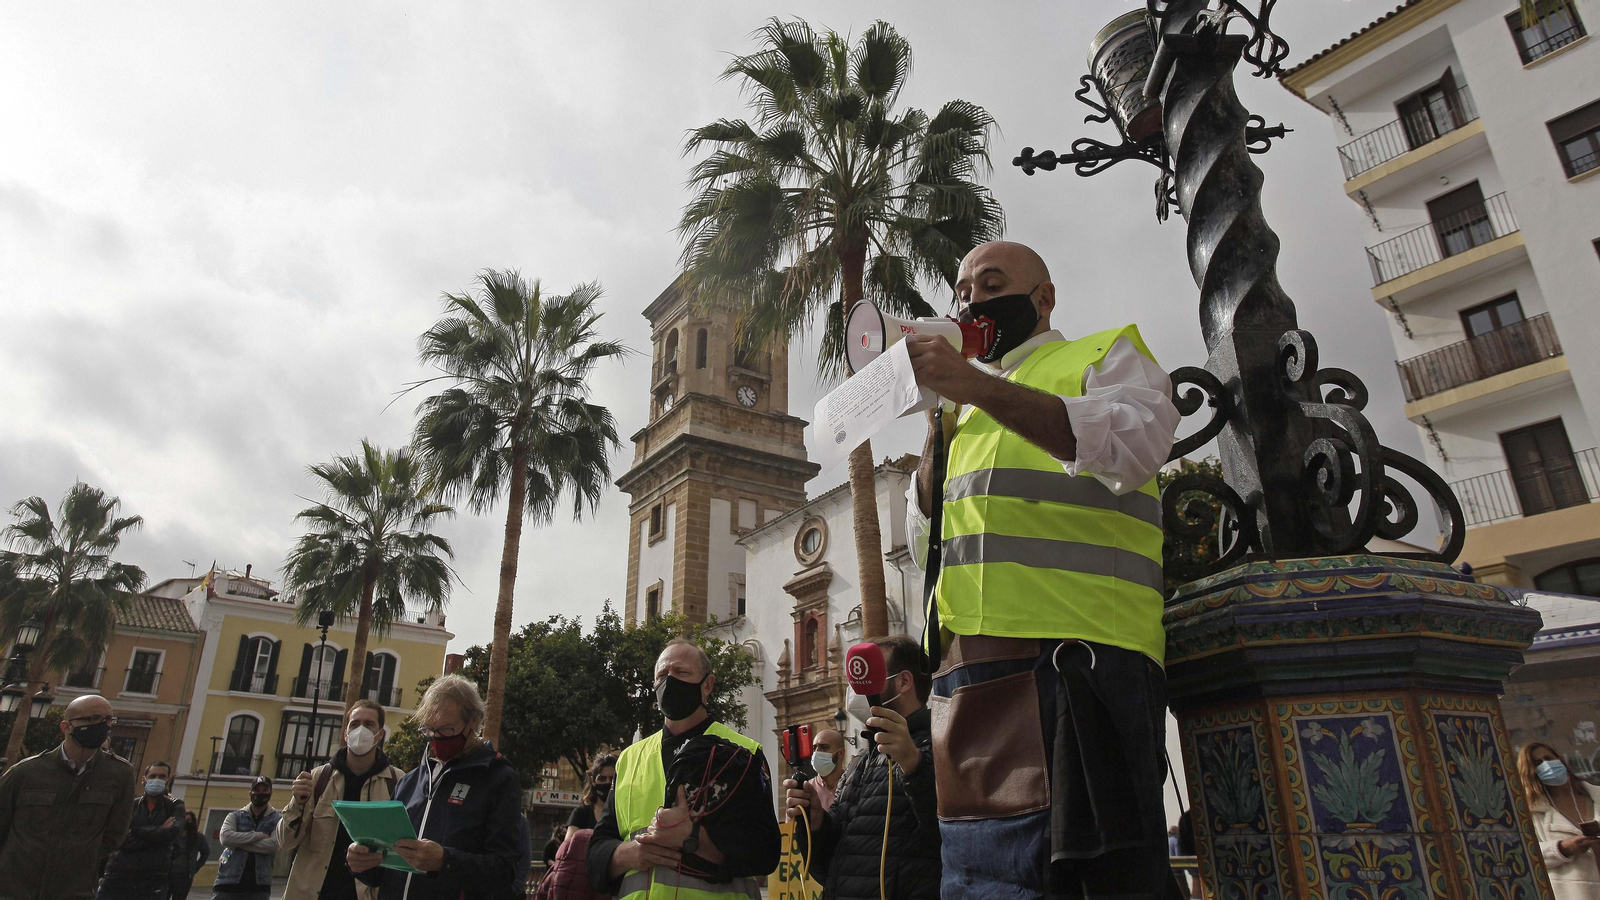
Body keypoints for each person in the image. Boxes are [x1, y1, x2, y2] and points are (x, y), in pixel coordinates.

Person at [904, 240, 1182, 899]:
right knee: (984, 882)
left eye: (991, 282)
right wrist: (935, 436)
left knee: (1095, 881)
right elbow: (928, 548)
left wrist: (975, 385)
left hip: (1078, 668)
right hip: (968, 684)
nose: (972, 299)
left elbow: (1132, 445)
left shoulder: (1102, 356)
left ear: (1043, 299)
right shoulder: (961, 413)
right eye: (963, 289)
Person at [586, 639, 780, 899]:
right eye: (662, 675)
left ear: (708, 685)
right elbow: (597, 851)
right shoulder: (629, 759)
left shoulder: (743, 754)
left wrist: (693, 839)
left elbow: (764, 854)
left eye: (682, 673)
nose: (670, 681)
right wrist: (630, 853)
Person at [784, 635, 940, 900]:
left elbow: (946, 833)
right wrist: (815, 823)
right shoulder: (861, 763)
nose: (856, 689)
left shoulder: (940, 747)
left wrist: (914, 765)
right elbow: (825, 868)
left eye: (871, 675)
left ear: (904, 681)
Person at [347, 675, 527, 900]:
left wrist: (444, 861)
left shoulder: (498, 778)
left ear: (472, 722)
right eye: (429, 731)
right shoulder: (409, 782)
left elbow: (504, 870)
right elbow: (388, 872)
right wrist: (362, 863)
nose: (436, 739)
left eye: (447, 730)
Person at [0, 693, 137, 900]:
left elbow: (115, 835)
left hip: (75, 891)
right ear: (66, 727)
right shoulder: (26, 772)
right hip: (16, 890)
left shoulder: (120, 774)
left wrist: (79, 856)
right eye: (92, 719)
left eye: (108, 720)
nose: (102, 725)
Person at [278, 699, 404, 900]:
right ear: (346, 733)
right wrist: (297, 803)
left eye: (368, 724)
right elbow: (285, 841)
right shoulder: (318, 779)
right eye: (354, 724)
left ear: (379, 734)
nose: (360, 730)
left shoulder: (398, 782)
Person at [1519, 743, 1600, 898]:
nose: (1547, 765)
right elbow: (1525, 855)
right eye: (1538, 763)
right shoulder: (1531, 812)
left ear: (1560, 760)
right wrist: (1562, 848)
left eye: (1549, 758)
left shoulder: (1596, 795)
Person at [99, 761, 187, 900]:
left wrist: (134, 830)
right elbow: (117, 839)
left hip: (154, 881)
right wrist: (159, 832)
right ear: (144, 780)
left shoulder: (175, 806)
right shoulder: (129, 805)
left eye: (162, 776)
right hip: (118, 877)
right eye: (152, 776)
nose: (157, 780)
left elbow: (172, 833)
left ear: (167, 780)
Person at [212, 776, 281, 900]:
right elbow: (225, 838)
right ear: (250, 793)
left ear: (271, 792)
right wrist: (258, 836)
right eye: (257, 790)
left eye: (264, 790)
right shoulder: (235, 816)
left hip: (259, 886)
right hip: (228, 882)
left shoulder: (277, 820)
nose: (260, 794)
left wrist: (238, 842)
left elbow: (273, 845)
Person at [567, 755, 617, 842]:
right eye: (602, 778)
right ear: (593, 781)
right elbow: (569, 847)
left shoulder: (624, 814)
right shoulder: (580, 814)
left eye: (612, 780)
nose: (607, 783)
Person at [169, 811, 211, 900]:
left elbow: (206, 852)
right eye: (184, 819)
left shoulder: (198, 837)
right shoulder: (173, 834)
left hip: (184, 876)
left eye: (189, 820)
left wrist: (196, 866)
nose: (186, 822)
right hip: (168, 873)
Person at [804, 731, 847, 814]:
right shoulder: (806, 790)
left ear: (840, 753)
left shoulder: (854, 786)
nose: (817, 752)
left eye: (824, 747)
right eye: (814, 748)